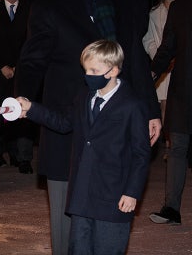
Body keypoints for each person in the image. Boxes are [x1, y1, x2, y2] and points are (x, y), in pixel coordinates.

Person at [14, 0, 161, 254]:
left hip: (116, 134)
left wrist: (151, 111)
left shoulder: (123, 5)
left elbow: (135, 60)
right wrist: (21, 100)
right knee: (69, 235)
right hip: (67, 131)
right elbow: (31, 62)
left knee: (109, 228)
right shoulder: (49, 7)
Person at [17, 39, 150, 254]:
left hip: (113, 198)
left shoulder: (132, 106)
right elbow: (62, 123)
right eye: (86, 69)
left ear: (113, 70)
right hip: (82, 195)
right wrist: (31, 108)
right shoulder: (83, 97)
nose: (88, 75)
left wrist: (132, 192)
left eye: (94, 70)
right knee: (78, 249)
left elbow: (141, 154)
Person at [148, 0, 192, 226]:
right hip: (183, 90)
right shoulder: (180, 7)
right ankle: (171, 208)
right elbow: (167, 47)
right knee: (177, 148)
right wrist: (151, 73)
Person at [0, 0, 35, 174]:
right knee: (0, 113)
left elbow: (32, 40)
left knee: (23, 114)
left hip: (23, 69)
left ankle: (23, 157)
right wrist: (2, 66)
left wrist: (19, 66)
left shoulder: (29, 9)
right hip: (0, 71)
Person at [142, 0, 181, 152]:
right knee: (164, 105)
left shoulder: (183, 9)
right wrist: (158, 57)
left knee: (178, 106)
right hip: (163, 66)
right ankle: (168, 144)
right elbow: (148, 38)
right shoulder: (154, 13)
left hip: (180, 65)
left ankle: (178, 143)